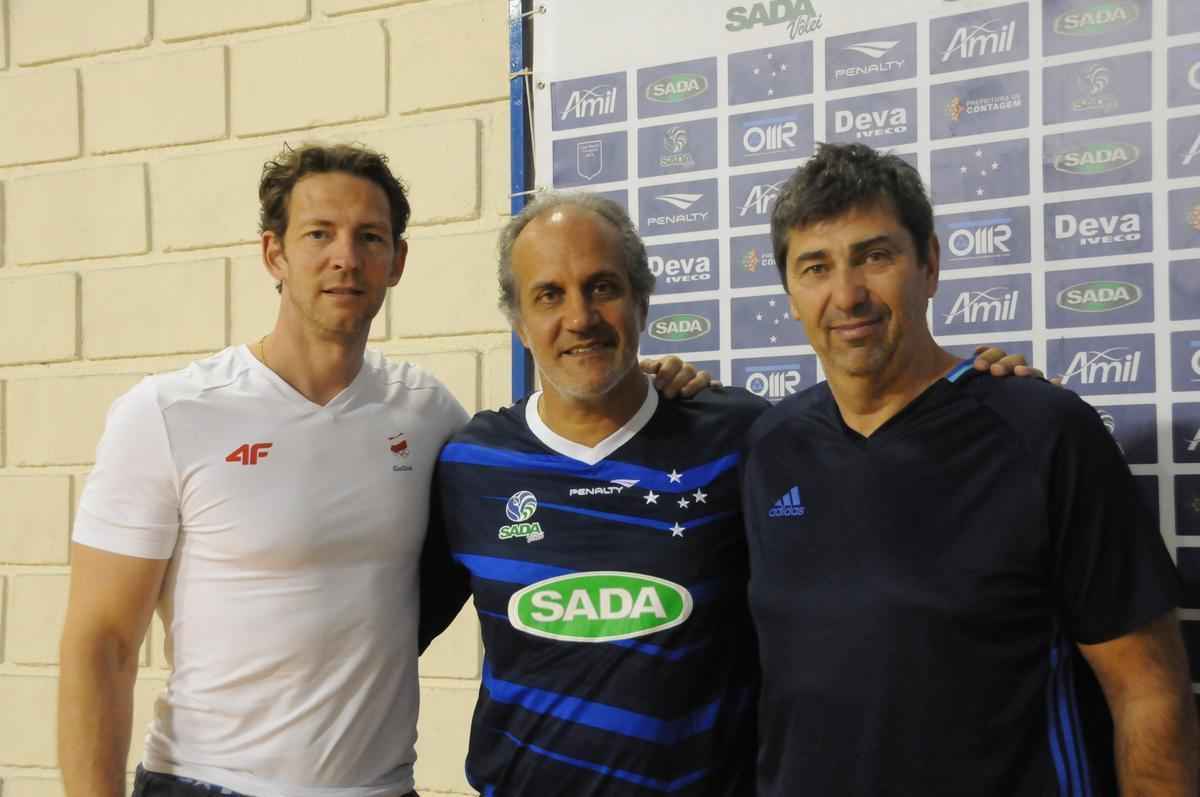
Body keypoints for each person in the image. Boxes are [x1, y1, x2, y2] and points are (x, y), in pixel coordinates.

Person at [56, 142, 706, 797]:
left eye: (369, 236)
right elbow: (101, 643)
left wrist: (638, 384)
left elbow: (549, 440)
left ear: (397, 261)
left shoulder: (428, 415)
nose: (345, 257)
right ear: (273, 253)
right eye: (319, 234)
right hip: (206, 780)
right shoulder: (169, 412)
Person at [419, 191, 1040, 796]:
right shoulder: (471, 464)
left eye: (603, 287)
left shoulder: (745, 437)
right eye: (549, 295)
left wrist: (979, 398)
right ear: (520, 323)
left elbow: (890, 492)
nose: (580, 317)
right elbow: (381, 632)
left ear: (641, 301)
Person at [741, 142, 1200, 796]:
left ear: (929, 263)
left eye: (875, 255)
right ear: (789, 292)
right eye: (816, 266)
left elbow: (1148, 690)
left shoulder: (1043, 431)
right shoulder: (767, 447)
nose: (847, 294)